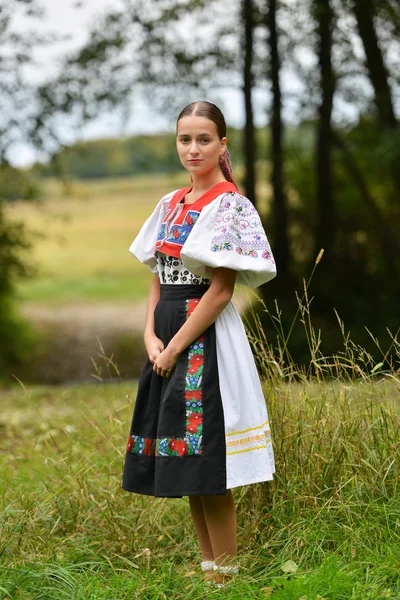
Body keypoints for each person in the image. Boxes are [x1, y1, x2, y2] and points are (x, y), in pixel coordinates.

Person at [122, 100, 277, 586]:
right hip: (166, 328)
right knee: (185, 461)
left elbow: (221, 291)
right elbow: (157, 275)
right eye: (185, 139)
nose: (193, 149)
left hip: (203, 336)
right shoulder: (170, 203)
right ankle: (209, 571)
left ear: (222, 144)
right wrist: (149, 333)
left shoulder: (229, 205)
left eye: (204, 139)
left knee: (208, 459)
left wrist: (172, 348)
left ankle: (225, 578)